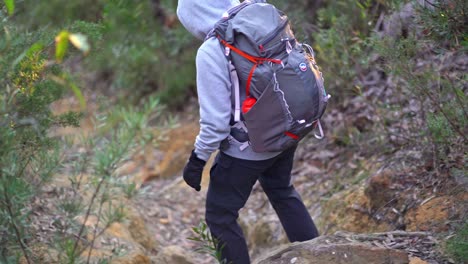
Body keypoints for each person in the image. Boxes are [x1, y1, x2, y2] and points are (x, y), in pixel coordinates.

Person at [177, 1, 319, 263]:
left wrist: (198, 160)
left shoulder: (212, 50)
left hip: (247, 148)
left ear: (193, 17)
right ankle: (321, 256)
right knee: (282, 191)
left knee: (220, 216)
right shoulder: (261, 16)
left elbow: (216, 124)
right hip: (287, 129)